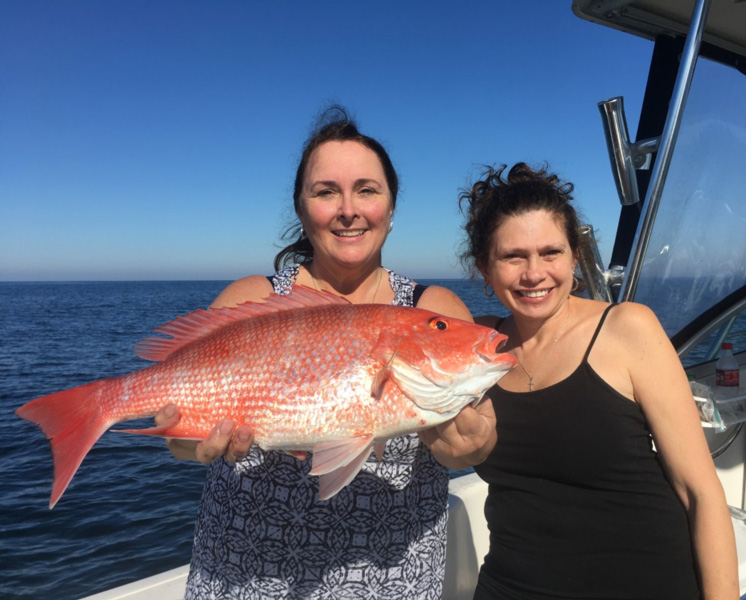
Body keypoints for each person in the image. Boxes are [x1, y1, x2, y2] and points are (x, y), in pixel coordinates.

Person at [155, 107, 497, 599]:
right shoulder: (251, 302)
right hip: (243, 573)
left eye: (367, 190)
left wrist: (467, 443)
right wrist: (187, 441)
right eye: (325, 192)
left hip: (389, 576)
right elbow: (180, 438)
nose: (348, 209)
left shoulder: (433, 310)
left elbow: (476, 444)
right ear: (300, 208)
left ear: (392, 207)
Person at [460, 162, 738, 599]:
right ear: (485, 267)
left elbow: (700, 491)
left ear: (575, 256)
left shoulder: (627, 329)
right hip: (509, 586)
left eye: (551, 253)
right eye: (513, 256)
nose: (534, 273)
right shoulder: (469, 345)